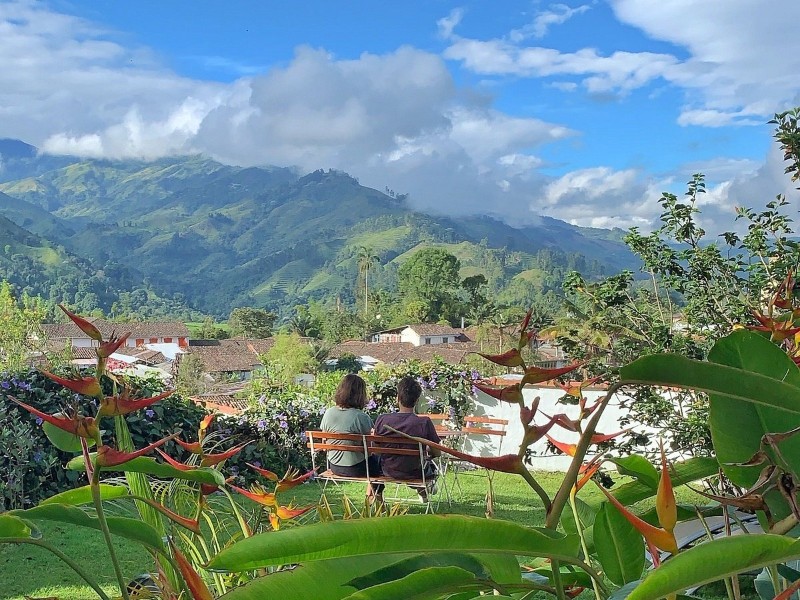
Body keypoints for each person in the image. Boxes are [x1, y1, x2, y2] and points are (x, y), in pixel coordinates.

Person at [373, 376, 441, 500]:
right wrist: (430, 453)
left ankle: (378, 497)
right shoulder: (424, 422)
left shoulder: (382, 419)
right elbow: (437, 452)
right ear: (417, 400)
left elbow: (375, 447)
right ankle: (424, 488)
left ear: (397, 398)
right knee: (428, 465)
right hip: (414, 472)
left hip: (387, 470)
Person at [320, 373, 383, 502]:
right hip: (357, 468)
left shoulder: (328, 413)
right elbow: (372, 447)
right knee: (378, 462)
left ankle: (371, 497)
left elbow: (324, 442)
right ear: (360, 394)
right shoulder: (361, 417)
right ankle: (376, 498)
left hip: (334, 467)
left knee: (373, 463)